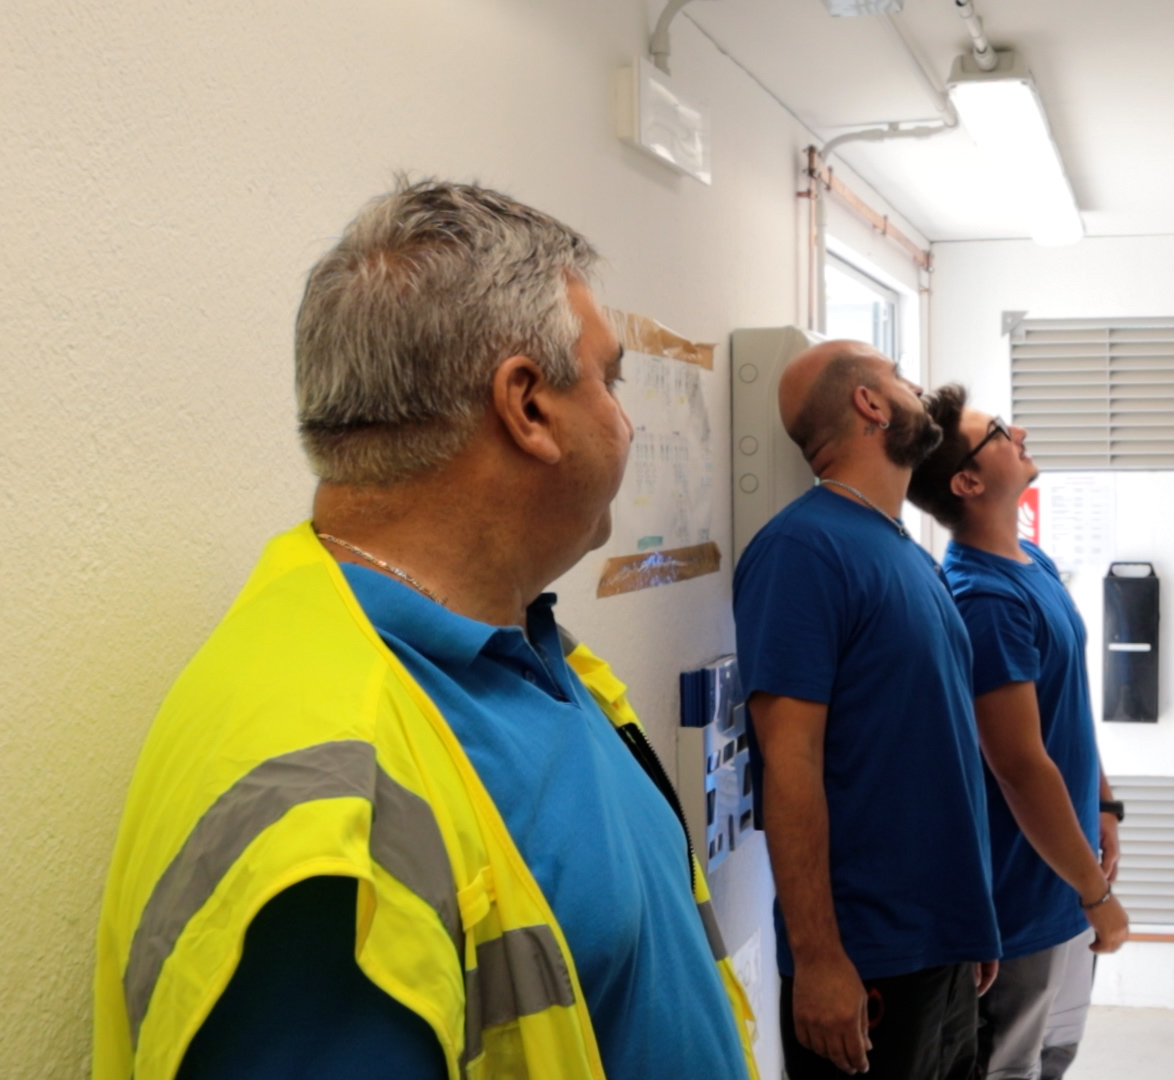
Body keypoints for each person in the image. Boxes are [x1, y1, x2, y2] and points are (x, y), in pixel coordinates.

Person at [92, 179, 756, 1080]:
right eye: (608, 379)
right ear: (528, 406)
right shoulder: (333, 822)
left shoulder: (523, 647)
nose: (627, 421)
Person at [733, 341, 1002, 1080]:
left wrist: (970, 919)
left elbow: (938, 749)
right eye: (901, 379)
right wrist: (819, 960)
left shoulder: (906, 553)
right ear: (871, 404)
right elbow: (789, 766)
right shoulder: (801, 551)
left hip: (942, 950)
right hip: (868, 965)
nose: (918, 390)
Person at [905, 386, 1128, 1080]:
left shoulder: (1031, 560)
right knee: (1011, 1066)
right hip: (1022, 900)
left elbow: (1068, 706)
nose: (1020, 432)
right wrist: (1097, 896)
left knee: (1055, 1057)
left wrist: (1104, 801)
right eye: (999, 431)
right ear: (968, 482)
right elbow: (1018, 765)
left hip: (1066, 877)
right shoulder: (985, 601)